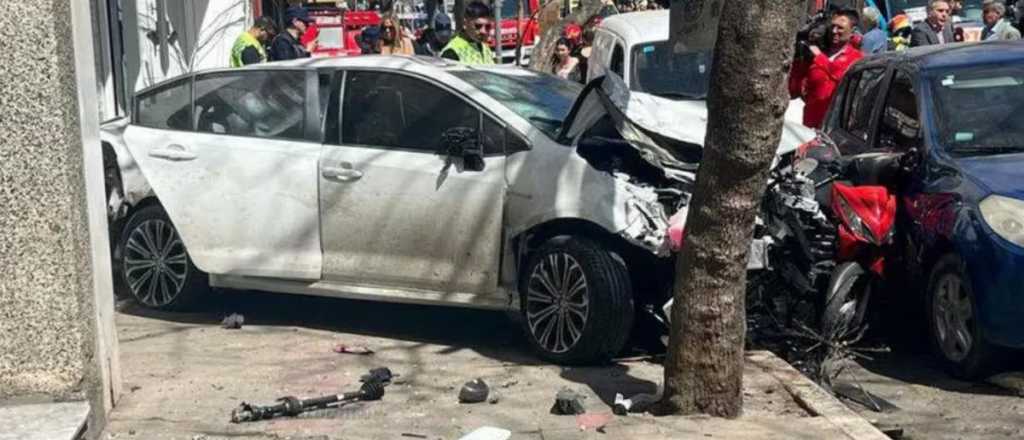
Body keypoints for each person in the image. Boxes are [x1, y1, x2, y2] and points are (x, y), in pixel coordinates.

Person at [789, 9, 864, 129]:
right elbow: (794, 89)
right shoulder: (817, 52)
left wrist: (819, 57)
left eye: (840, 28)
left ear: (852, 31)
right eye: (832, 27)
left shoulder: (857, 57)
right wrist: (799, 59)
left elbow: (842, 75)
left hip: (835, 129)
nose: (834, 31)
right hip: (810, 124)